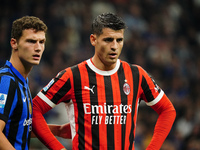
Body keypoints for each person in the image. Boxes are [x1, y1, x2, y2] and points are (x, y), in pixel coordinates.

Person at [32, 12, 176, 150]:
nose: (114, 46)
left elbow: (168, 110)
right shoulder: (72, 76)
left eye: (119, 40)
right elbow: (35, 109)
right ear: (93, 40)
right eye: (108, 40)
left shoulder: (137, 74)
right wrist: (57, 147)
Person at [0, 16, 70, 150]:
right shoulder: (6, 81)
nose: (38, 48)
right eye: (31, 41)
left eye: (41, 42)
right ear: (14, 43)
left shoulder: (21, 80)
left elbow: (18, 128)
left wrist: (57, 131)